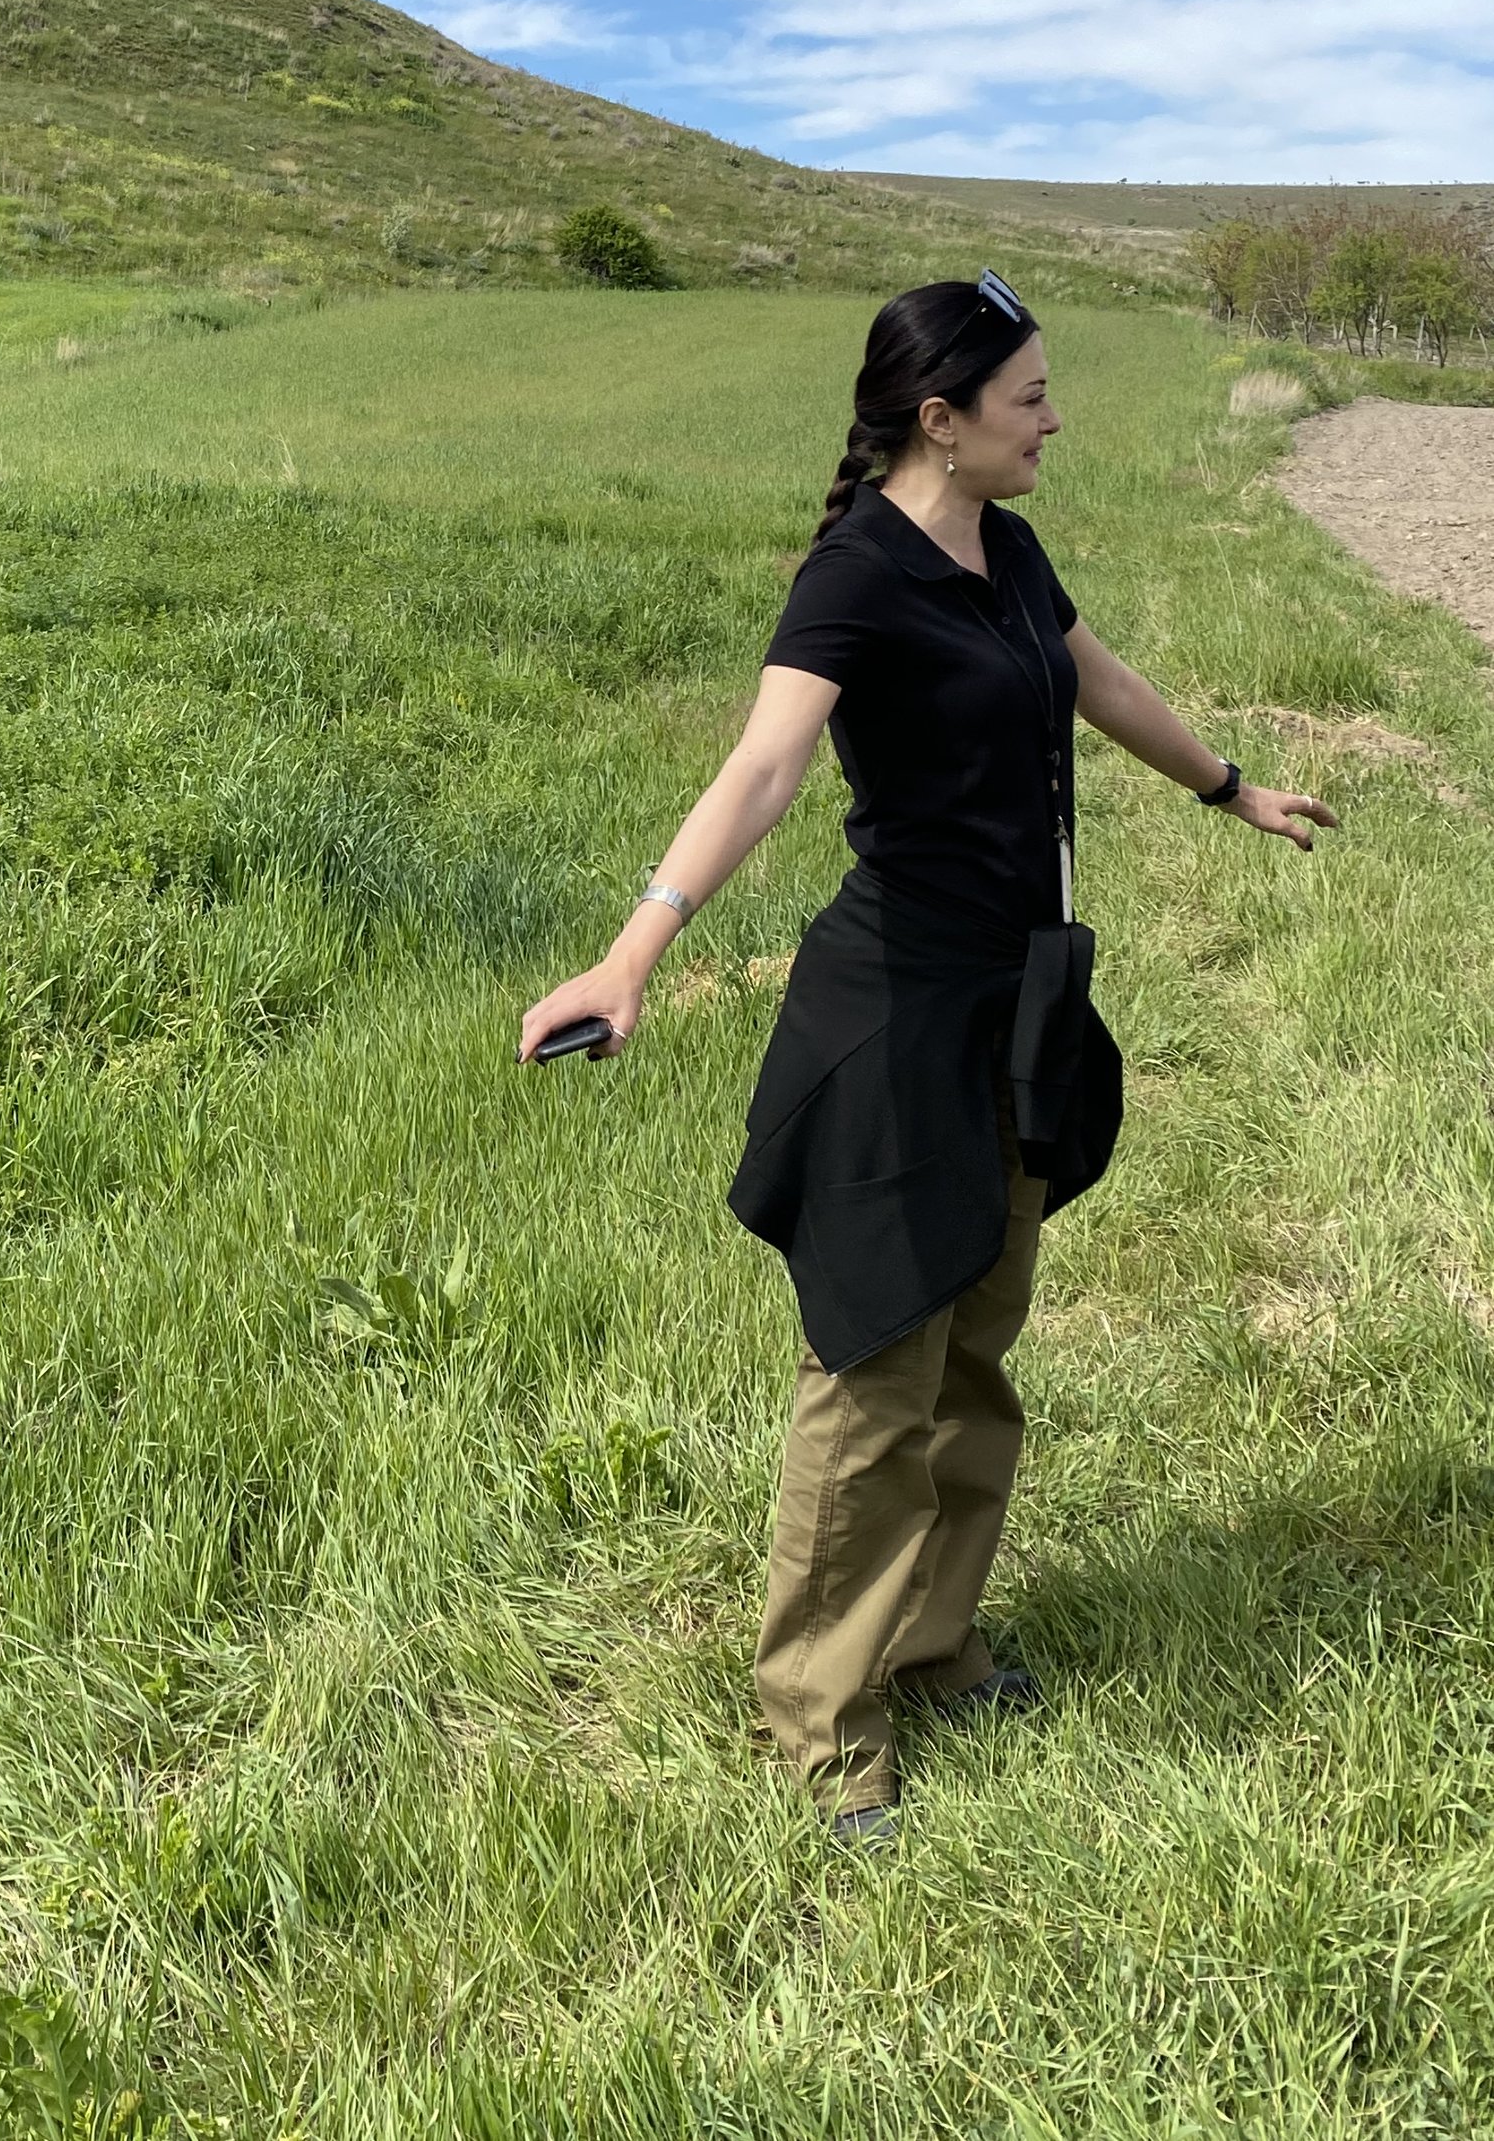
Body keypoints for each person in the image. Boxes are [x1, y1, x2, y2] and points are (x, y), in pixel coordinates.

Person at [519, 273, 1336, 1842]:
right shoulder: (855, 576)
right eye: (1029, 397)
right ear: (939, 420)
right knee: (874, 1366)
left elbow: (1093, 681)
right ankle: (821, 1723)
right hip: (895, 1019)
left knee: (974, 1343)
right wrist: (637, 949)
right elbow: (760, 766)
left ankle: (936, 1636)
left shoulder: (1008, 548)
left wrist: (1229, 784)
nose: (1054, 418)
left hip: (1017, 1006)